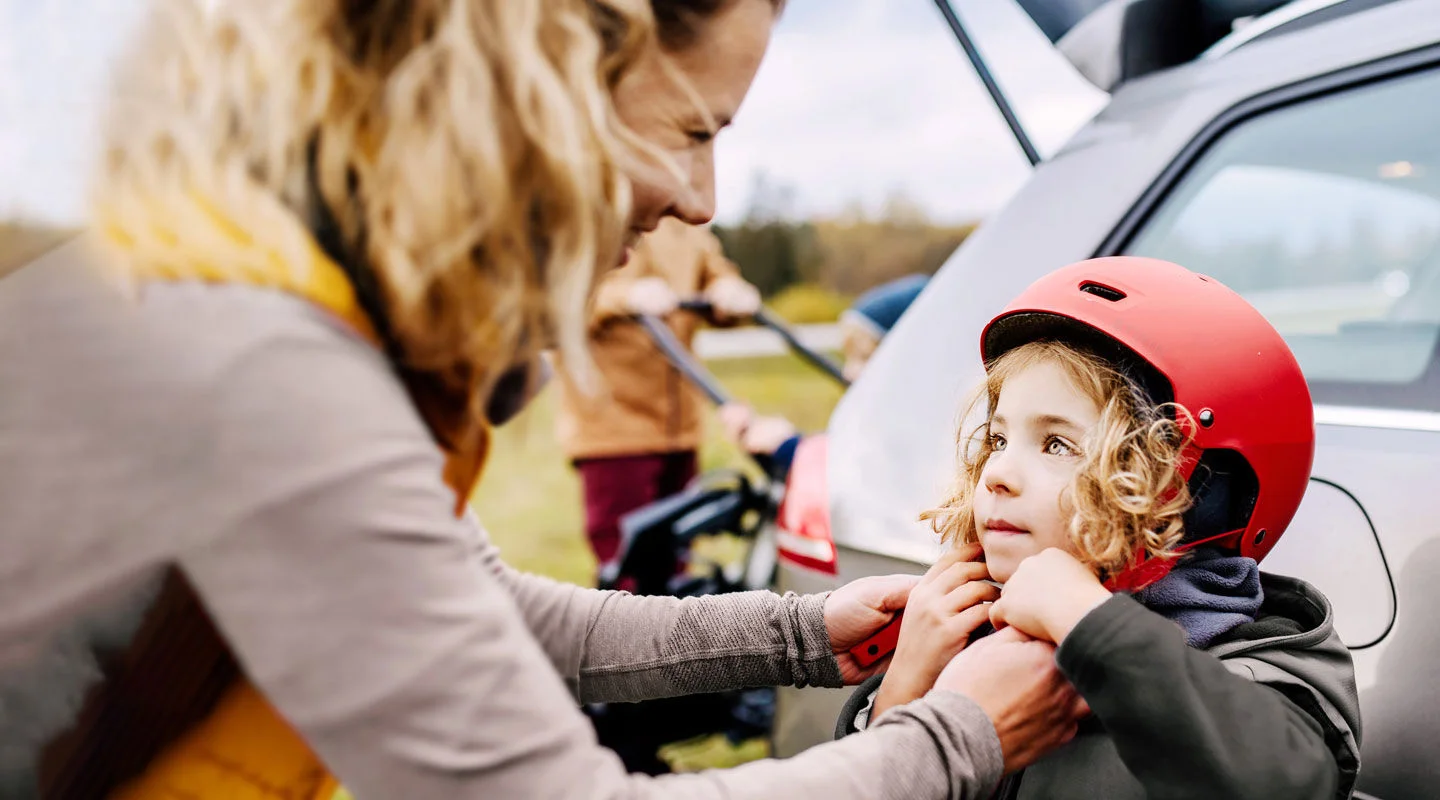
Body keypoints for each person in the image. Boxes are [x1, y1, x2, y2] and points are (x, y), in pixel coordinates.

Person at [0, 1, 1087, 798]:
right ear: (545, 86)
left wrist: (801, 631)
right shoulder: (263, 378)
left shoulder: (280, 288)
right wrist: (957, 736)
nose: (699, 201)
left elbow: (487, 609)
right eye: (694, 130)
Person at [835, 257, 1363, 799]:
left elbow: (1286, 781)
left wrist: (1088, 621)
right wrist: (903, 690)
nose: (996, 474)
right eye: (996, 439)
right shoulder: (966, 638)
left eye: (1057, 444)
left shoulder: (1261, 661)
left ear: (1192, 492)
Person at [554, 215, 760, 591]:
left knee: (677, 558)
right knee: (625, 565)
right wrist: (625, 295)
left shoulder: (686, 224)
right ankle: (619, 647)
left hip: (680, 428)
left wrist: (729, 290)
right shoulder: (588, 211)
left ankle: (677, 644)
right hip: (613, 429)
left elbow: (716, 272)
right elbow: (558, 296)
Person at [720, 273, 930, 480]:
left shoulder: (913, 437)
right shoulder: (883, 422)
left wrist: (792, 449)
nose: (848, 371)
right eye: (848, 357)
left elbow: (855, 482)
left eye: (865, 358)